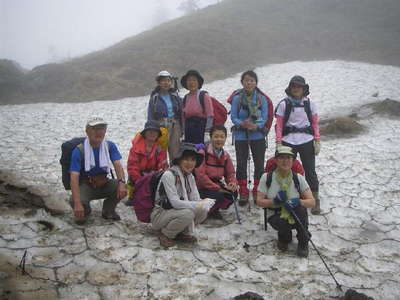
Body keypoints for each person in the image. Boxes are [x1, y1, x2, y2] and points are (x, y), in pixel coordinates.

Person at [151, 143, 215, 248]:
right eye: (186, 159)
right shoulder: (169, 175)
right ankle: (166, 234)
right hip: (160, 214)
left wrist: (203, 203)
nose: (189, 163)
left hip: (174, 212)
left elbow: (195, 198)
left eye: (193, 160)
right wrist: (198, 204)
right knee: (188, 214)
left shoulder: (190, 177)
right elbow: (175, 203)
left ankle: (182, 232)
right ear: (179, 160)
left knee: (203, 211)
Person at [256, 146, 315, 257]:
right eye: (281, 158)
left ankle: (303, 242)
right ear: (276, 160)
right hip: (274, 213)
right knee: (283, 225)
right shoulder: (267, 177)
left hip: (295, 212)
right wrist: (274, 201)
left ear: (293, 161)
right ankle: (284, 238)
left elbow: (312, 202)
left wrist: (299, 201)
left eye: (288, 158)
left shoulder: (298, 178)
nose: (285, 161)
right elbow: (259, 201)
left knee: (301, 211)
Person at [275, 75, 321, 214]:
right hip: (288, 141)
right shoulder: (284, 104)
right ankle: (288, 196)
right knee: (286, 170)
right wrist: (278, 142)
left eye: (299, 86)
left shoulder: (310, 104)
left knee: (310, 170)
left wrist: (317, 139)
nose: (296, 89)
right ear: (290, 88)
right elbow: (279, 125)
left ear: (303, 89)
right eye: (293, 86)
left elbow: (314, 123)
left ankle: (314, 199)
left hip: (306, 140)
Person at [69, 117, 127, 224]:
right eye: (95, 129)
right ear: (87, 131)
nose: (99, 132)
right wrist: (77, 202)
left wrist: (122, 183)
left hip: (103, 182)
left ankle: (108, 210)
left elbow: (118, 165)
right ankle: (85, 211)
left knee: (122, 186)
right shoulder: (79, 151)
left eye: (102, 129)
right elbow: (74, 176)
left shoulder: (109, 146)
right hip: (86, 185)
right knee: (76, 203)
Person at [230, 70, 270, 206]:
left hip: (257, 135)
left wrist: (255, 125)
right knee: (241, 163)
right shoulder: (237, 98)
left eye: (252, 80)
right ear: (242, 82)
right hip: (241, 135)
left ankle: (258, 190)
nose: (249, 82)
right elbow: (233, 116)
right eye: (246, 80)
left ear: (256, 83)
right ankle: (243, 191)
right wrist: (242, 123)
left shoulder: (261, 98)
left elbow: (264, 116)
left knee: (259, 163)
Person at [195, 125, 238, 219]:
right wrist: (218, 188)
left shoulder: (225, 156)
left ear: (225, 138)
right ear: (211, 138)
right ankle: (204, 211)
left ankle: (213, 210)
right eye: (216, 136)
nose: (219, 139)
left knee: (233, 194)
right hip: (201, 187)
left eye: (222, 137)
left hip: (216, 184)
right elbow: (201, 176)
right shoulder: (203, 153)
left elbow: (230, 173)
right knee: (219, 195)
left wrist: (232, 183)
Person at [126, 121, 168, 206]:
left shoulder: (160, 149)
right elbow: (132, 166)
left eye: (155, 131)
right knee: (132, 176)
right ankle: (132, 196)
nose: (152, 133)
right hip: (138, 177)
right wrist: (140, 181)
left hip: (152, 177)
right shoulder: (135, 149)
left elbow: (163, 167)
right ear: (145, 133)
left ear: (158, 135)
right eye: (150, 131)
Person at [147, 70, 182, 161]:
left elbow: (181, 112)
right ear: (159, 83)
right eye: (163, 81)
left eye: (168, 80)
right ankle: (162, 172)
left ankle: (175, 172)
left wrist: (183, 128)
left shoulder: (175, 95)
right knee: (161, 151)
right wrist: (150, 131)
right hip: (161, 127)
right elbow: (150, 115)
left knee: (175, 151)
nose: (166, 83)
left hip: (175, 125)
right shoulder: (154, 98)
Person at [181, 70, 214, 144]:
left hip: (201, 129)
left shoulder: (204, 95)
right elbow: (183, 118)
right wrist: (183, 132)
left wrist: (207, 132)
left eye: (194, 80)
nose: (191, 83)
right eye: (189, 80)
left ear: (198, 82)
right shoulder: (185, 98)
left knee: (201, 152)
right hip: (189, 130)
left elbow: (210, 115)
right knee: (190, 152)